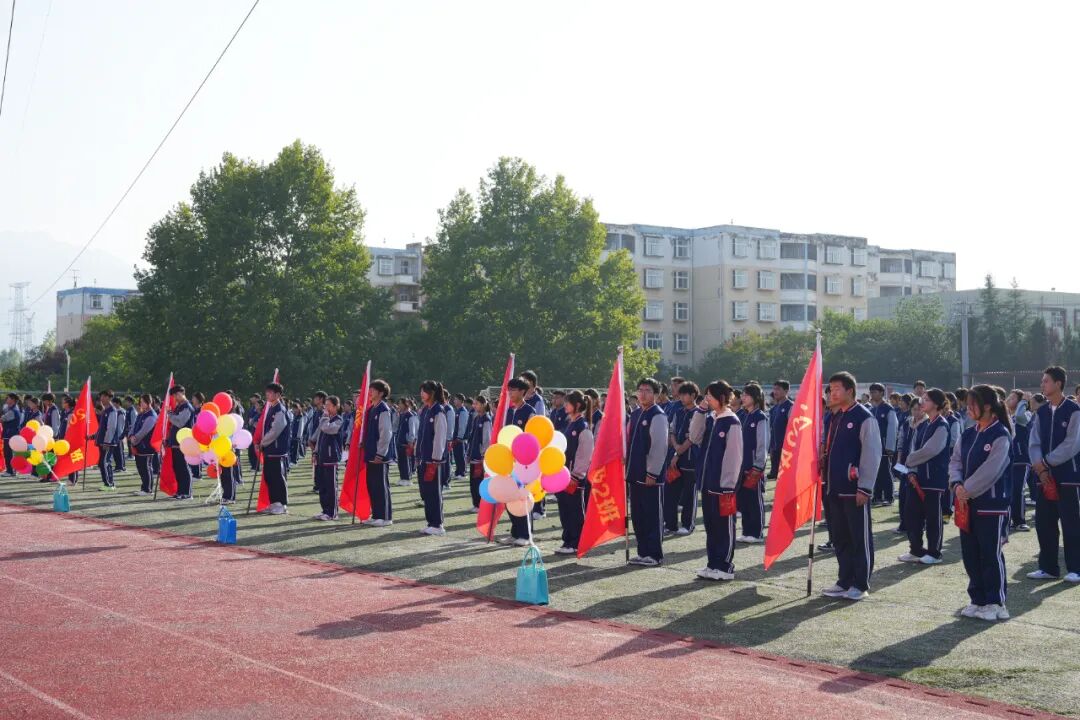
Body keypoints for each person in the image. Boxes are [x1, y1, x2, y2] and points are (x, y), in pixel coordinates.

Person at [951, 385, 1014, 621]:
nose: (968, 408)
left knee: (990, 553)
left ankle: (996, 602)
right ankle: (977, 599)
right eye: (966, 404)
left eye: (972, 404)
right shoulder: (968, 433)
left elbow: (992, 470)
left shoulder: (1000, 434)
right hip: (966, 503)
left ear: (987, 405)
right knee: (970, 553)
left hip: (991, 505)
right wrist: (957, 485)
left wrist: (966, 489)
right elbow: (955, 461)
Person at [820, 372, 882, 601]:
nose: (831, 393)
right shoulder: (832, 417)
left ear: (850, 391)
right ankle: (844, 580)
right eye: (830, 389)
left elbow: (872, 454)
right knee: (839, 537)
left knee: (859, 537)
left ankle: (860, 583)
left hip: (853, 488)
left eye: (836, 389)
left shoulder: (863, 417)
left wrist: (865, 487)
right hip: (832, 487)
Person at [1028, 366, 1080, 583]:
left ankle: (1076, 568)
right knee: (1044, 523)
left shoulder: (1074, 410)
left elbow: (1072, 444)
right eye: (1042, 381)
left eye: (1046, 381)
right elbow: (1034, 442)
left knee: (1071, 523)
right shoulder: (1041, 412)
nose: (1042, 385)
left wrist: (1047, 462)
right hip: (1044, 478)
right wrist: (1039, 468)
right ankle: (1048, 567)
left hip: (1068, 476)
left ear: (1058, 383)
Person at [696, 380, 743, 581]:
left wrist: (728, 485)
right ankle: (712, 563)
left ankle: (724, 566)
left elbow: (734, 457)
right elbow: (694, 437)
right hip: (707, 483)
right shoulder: (710, 418)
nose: (707, 399)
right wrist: (700, 412)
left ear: (721, 398)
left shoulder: (732, 422)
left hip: (723, 486)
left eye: (710, 396)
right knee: (711, 525)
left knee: (724, 526)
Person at [898, 389, 950, 565]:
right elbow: (914, 447)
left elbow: (931, 450)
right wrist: (911, 469)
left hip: (933, 479)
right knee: (912, 514)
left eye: (926, 400)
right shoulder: (926, 424)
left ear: (936, 404)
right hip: (917, 478)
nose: (921, 403)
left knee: (933, 517)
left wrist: (909, 460)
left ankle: (934, 552)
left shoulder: (942, 425)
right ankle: (916, 550)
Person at [626, 378, 669, 567]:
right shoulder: (635, 414)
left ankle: (654, 554)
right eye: (640, 389)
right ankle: (642, 552)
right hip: (634, 474)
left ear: (656, 394)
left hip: (649, 476)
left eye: (648, 390)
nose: (643, 393)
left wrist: (652, 472)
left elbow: (659, 446)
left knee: (652, 515)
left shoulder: (657, 415)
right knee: (638, 515)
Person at [554, 390, 594, 554]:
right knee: (564, 509)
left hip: (574, 478)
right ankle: (567, 540)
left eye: (567, 402)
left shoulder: (583, 427)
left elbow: (585, 455)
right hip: (563, 476)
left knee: (575, 510)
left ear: (577, 405)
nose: (565, 405)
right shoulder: (570, 423)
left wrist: (576, 475)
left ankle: (576, 542)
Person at [504, 378, 537, 544]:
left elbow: (532, 439)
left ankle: (525, 534)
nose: (510, 393)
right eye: (509, 390)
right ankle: (515, 532)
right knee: (509, 496)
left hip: (524, 463)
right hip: (508, 462)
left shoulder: (529, 412)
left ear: (523, 392)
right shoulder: (509, 411)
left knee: (523, 497)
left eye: (514, 390)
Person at [666, 381, 701, 536]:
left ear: (693, 395)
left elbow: (693, 437)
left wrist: (679, 451)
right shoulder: (678, 411)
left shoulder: (699, 413)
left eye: (684, 394)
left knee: (689, 494)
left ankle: (688, 524)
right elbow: (672, 430)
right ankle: (670, 524)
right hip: (676, 457)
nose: (681, 397)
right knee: (671, 492)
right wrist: (675, 447)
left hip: (690, 459)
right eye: (680, 394)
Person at [737, 383, 769, 544]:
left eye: (746, 395)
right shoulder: (743, 415)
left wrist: (758, 466)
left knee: (755, 500)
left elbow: (762, 444)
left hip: (753, 467)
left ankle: (756, 532)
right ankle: (746, 530)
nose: (743, 397)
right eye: (742, 394)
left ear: (755, 398)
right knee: (744, 500)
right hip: (741, 466)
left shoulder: (760, 417)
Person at [416, 380, 449, 535]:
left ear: (433, 393)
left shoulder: (438, 411)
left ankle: (437, 524)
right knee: (427, 493)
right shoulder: (426, 410)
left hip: (433, 461)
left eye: (425, 391)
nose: (422, 394)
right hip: (424, 458)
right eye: (421, 390)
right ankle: (431, 522)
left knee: (434, 492)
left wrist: (435, 459)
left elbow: (440, 437)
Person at [362, 380, 395, 527]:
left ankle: (385, 516)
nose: (370, 392)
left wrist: (380, 453)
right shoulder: (372, 409)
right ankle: (376, 514)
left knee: (380, 485)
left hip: (379, 456)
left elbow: (385, 433)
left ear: (381, 393)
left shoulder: (383, 409)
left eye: (373, 390)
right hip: (370, 453)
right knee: (372, 485)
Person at [258, 382, 290, 515]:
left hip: (277, 450)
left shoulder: (280, 410)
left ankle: (282, 504)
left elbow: (275, 430)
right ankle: (274, 503)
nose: (267, 394)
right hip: (269, 450)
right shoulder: (270, 408)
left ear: (277, 395)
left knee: (277, 477)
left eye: (270, 392)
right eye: (267, 392)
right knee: (269, 477)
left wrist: (263, 442)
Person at [311, 395, 344, 521]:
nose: (326, 407)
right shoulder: (325, 419)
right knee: (322, 486)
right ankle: (325, 510)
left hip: (332, 457)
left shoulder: (338, 420)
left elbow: (328, 429)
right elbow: (320, 437)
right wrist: (316, 452)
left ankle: (333, 512)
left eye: (329, 405)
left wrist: (324, 418)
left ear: (336, 407)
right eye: (326, 405)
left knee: (331, 486)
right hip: (322, 457)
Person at [1006, 389, 1032, 531]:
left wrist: (1024, 401)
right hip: (1008, 459)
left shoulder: (1026, 414)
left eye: (1013, 397)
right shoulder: (1007, 416)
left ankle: (1020, 520)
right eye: (1009, 397)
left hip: (1021, 457)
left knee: (1018, 489)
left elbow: (1020, 416)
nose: (1009, 399)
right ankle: (1008, 518)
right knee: (1008, 489)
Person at [869, 383, 898, 506]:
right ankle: (876, 496)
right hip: (873, 447)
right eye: (871, 392)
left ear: (881, 393)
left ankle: (888, 496)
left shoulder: (888, 409)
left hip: (884, 447)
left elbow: (893, 427)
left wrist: (890, 447)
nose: (872, 394)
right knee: (875, 472)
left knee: (885, 472)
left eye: (875, 391)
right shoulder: (871, 409)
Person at [166, 386, 195, 499]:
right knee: (177, 467)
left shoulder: (187, 407)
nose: (174, 398)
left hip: (184, 442)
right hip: (176, 441)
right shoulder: (179, 407)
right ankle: (180, 491)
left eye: (175, 395)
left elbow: (180, 422)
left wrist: (169, 415)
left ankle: (187, 492)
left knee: (183, 467)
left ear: (181, 393)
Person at [893, 394, 916, 534]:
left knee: (914, 496)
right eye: (914, 409)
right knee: (903, 494)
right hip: (904, 463)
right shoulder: (907, 422)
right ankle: (904, 523)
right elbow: (901, 441)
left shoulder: (926, 424)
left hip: (917, 466)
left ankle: (917, 523)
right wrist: (899, 459)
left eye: (919, 409)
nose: (916, 412)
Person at [129, 394, 158, 495]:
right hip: (138, 445)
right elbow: (134, 426)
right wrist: (131, 435)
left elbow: (144, 431)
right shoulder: (141, 414)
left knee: (146, 467)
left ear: (149, 403)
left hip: (146, 446)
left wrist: (135, 438)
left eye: (143, 402)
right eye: (140, 402)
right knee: (141, 467)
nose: (140, 404)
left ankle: (147, 489)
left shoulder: (152, 415)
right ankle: (144, 487)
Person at [467, 395, 492, 511]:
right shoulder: (476, 418)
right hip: (473, 455)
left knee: (478, 481)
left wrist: (484, 454)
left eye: (476, 404)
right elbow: (472, 437)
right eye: (474, 404)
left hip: (479, 457)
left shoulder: (486, 419)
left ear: (483, 404)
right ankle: (475, 503)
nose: (474, 406)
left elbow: (486, 439)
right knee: (473, 481)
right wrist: (468, 453)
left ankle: (480, 504)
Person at [94, 390, 119, 491]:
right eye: (101, 397)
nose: (101, 399)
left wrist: (107, 442)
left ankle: (108, 484)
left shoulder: (112, 411)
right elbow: (102, 428)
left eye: (103, 397)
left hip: (107, 442)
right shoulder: (105, 410)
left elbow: (111, 428)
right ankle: (110, 483)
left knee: (103, 462)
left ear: (109, 397)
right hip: (103, 441)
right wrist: (93, 436)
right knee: (105, 462)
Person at [768, 380, 793, 480]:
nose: (775, 391)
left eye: (778, 389)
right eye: (774, 389)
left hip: (786, 451)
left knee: (786, 479)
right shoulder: (774, 409)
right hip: (775, 449)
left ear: (786, 391)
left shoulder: (791, 406)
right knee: (776, 479)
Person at [396, 398, 417, 486]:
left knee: (406, 461)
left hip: (406, 443)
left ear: (405, 404)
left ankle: (407, 478)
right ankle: (402, 477)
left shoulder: (410, 415)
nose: (398, 405)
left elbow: (412, 430)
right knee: (400, 461)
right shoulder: (402, 415)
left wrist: (410, 441)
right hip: (400, 442)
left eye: (400, 403)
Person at [2, 393, 23, 477]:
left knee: (8, 453)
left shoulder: (13, 410)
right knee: (10, 453)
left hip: (10, 434)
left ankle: (10, 471)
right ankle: (11, 470)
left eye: (8, 398)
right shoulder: (11, 409)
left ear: (13, 400)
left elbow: (2, 419)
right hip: (11, 434)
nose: (7, 399)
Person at [451, 393, 469, 479]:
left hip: (460, 439)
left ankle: (462, 473)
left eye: (456, 399)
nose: (454, 401)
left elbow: (462, 426)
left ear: (461, 401)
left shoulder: (463, 411)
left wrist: (459, 437)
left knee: (461, 455)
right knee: (457, 456)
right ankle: (458, 471)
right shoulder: (457, 410)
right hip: (456, 438)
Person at [289, 401, 306, 469]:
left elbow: (301, 427)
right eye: (293, 409)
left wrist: (299, 436)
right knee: (292, 448)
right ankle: (292, 460)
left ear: (298, 409)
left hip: (297, 436)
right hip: (293, 435)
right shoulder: (294, 416)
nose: (293, 410)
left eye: (294, 408)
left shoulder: (300, 416)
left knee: (296, 448)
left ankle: (294, 461)